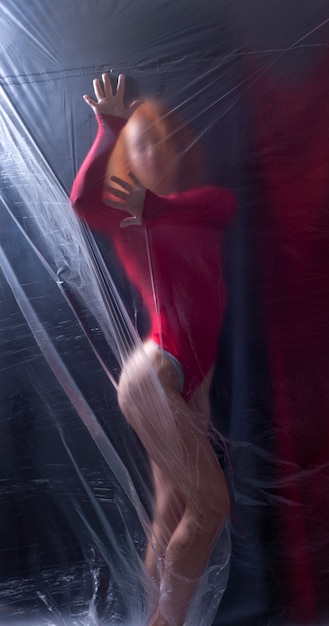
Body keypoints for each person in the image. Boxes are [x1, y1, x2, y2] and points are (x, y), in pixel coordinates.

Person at [70, 73, 235, 626]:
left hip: (188, 382)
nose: (157, 150)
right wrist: (109, 128)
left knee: (172, 514)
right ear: (129, 159)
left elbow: (223, 205)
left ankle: (154, 615)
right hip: (155, 374)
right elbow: (81, 202)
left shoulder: (195, 205)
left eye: (166, 139)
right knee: (211, 506)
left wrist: (155, 205)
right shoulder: (123, 217)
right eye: (143, 143)